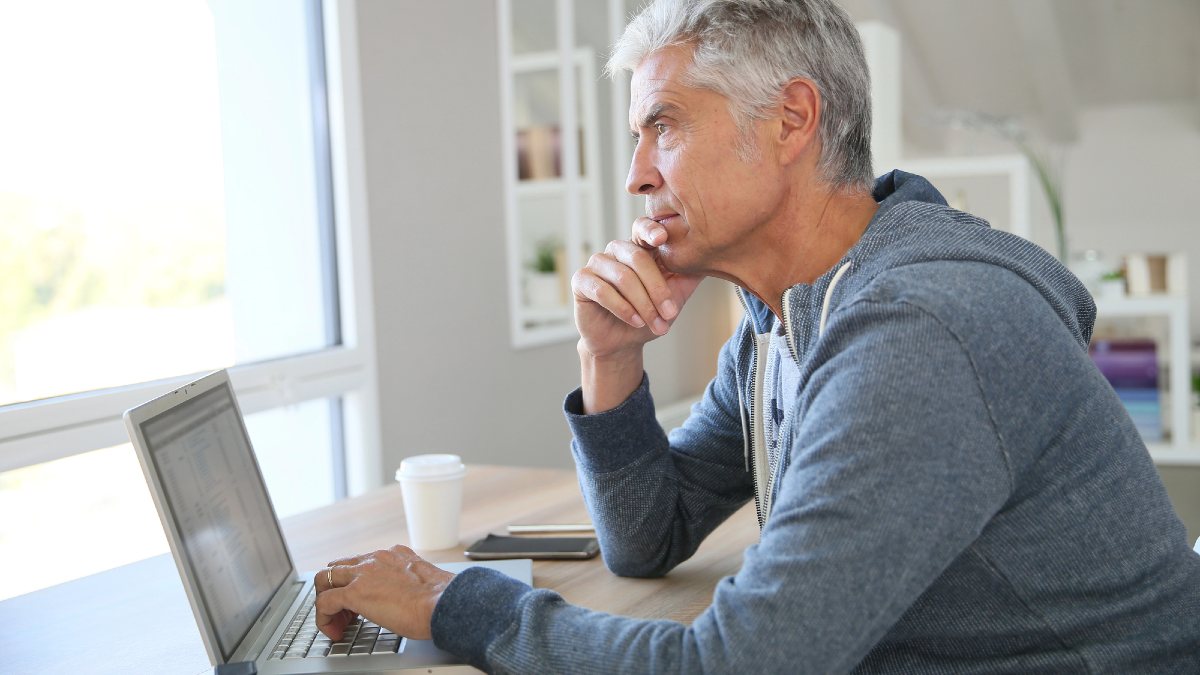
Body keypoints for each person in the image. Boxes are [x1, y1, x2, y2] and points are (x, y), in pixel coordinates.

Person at [314, 0, 1200, 671]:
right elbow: (648, 537)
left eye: (663, 125)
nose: (634, 176)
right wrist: (612, 356)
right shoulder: (783, 318)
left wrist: (461, 605)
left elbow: (744, 664)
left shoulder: (919, 332)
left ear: (790, 121)